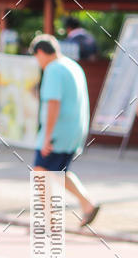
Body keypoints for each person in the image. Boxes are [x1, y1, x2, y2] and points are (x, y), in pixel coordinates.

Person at [30, 33, 99, 227]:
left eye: (36, 57)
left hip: (57, 132)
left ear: (41, 52)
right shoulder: (72, 65)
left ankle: (48, 221)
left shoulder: (53, 69)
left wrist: (47, 137)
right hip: (74, 130)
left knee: (40, 172)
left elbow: (53, 103)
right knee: (58, 171)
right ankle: (88, 204)